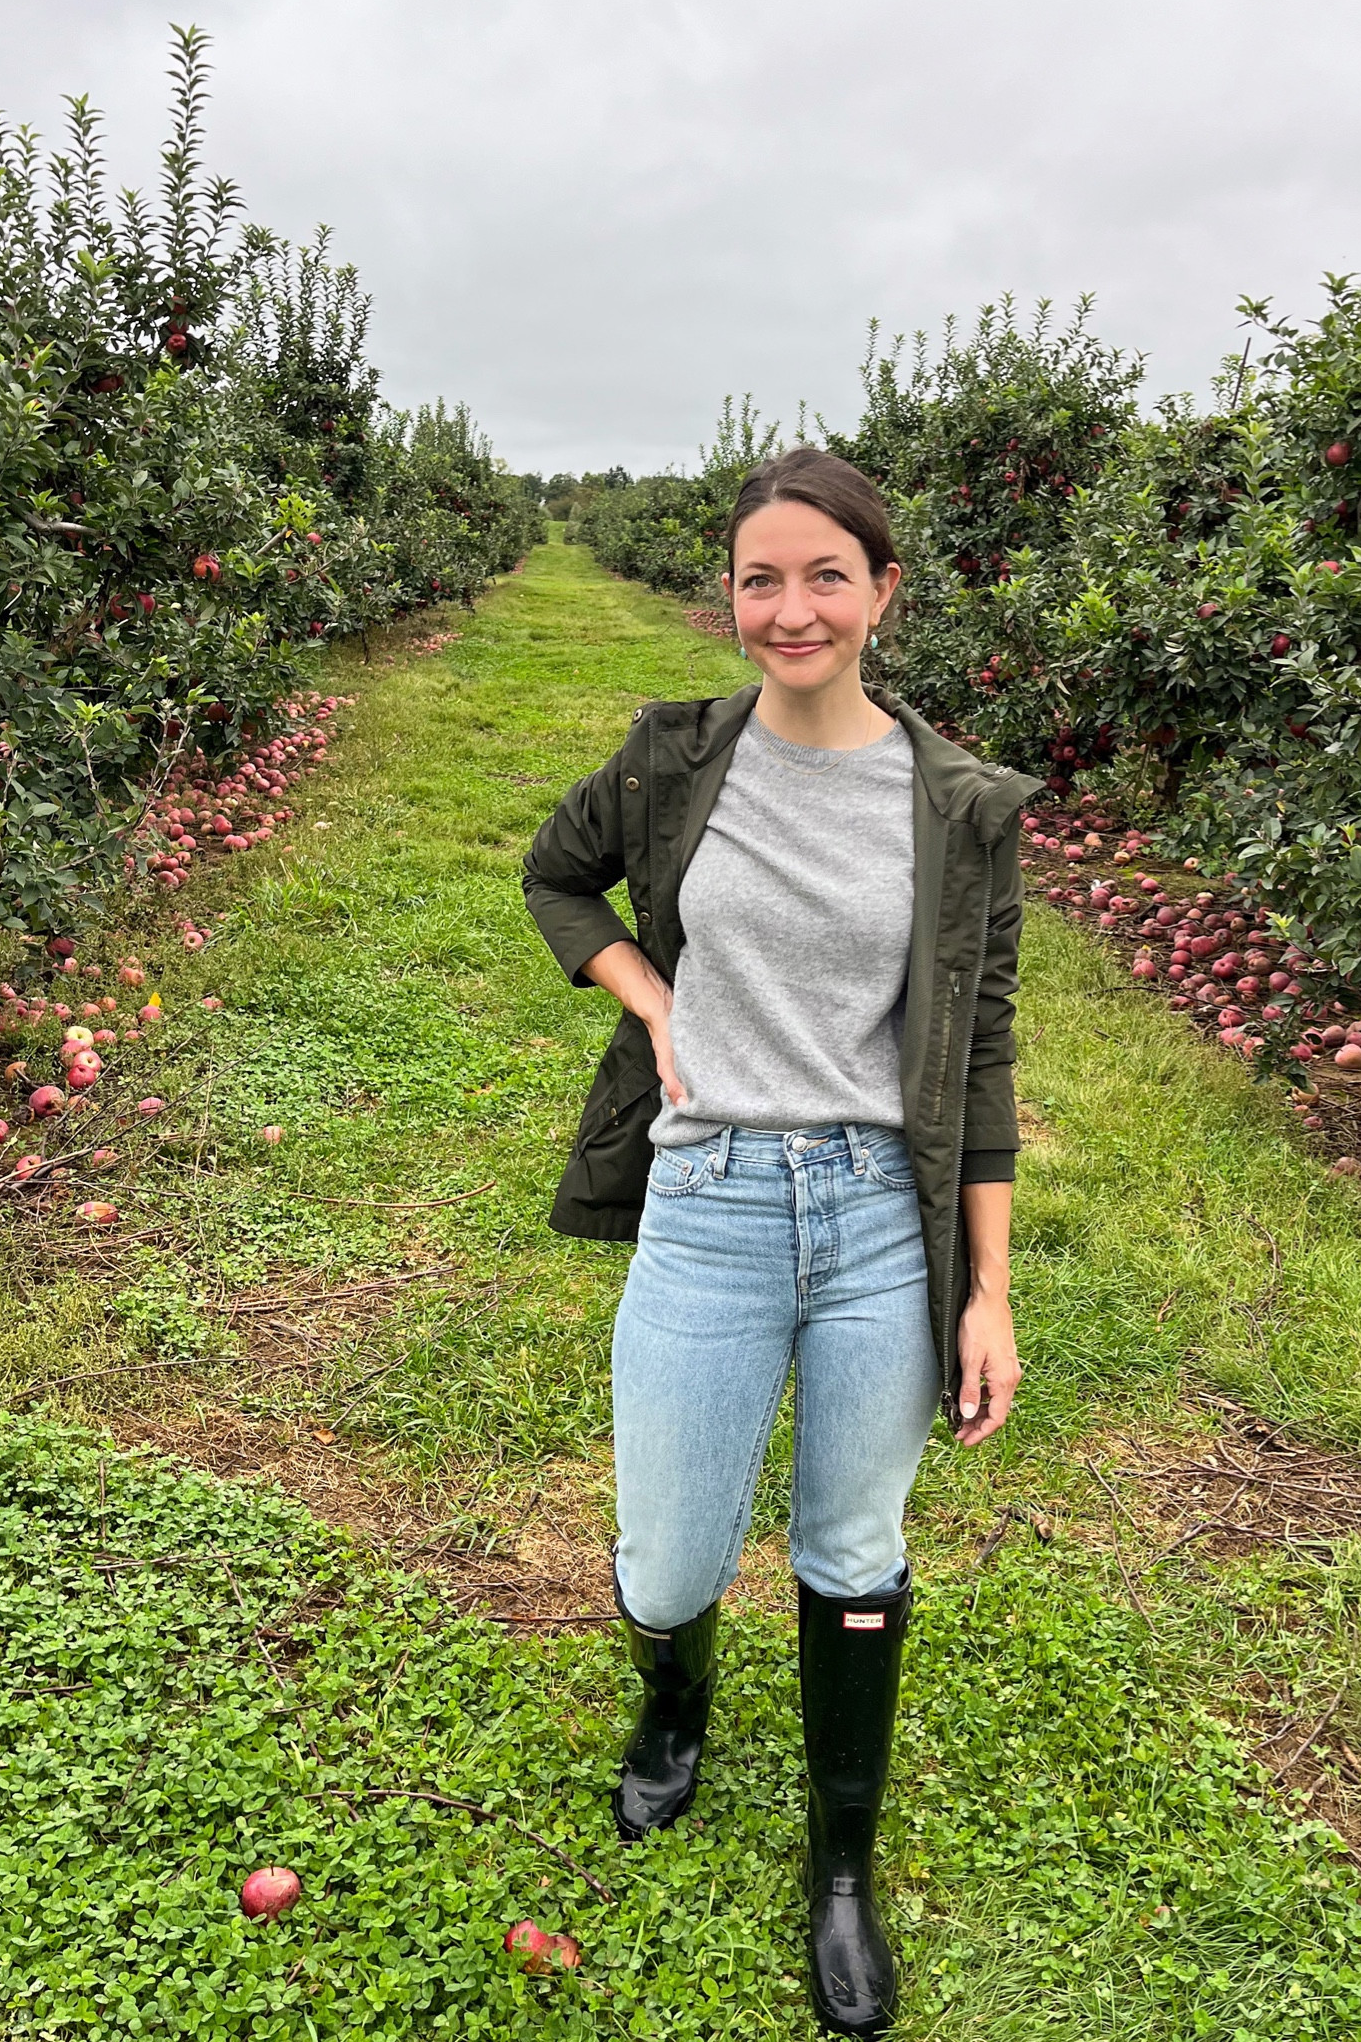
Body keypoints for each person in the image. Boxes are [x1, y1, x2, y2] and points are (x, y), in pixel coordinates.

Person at [522, 445, 1038, 2038]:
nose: (792, 607)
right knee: (670, 1556)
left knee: (853, 1551)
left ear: (884, 592)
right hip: (714, 1200)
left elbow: (987, 1051)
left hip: (883, 1216)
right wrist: (652, 991)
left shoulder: (957, 807)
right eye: (762, 577)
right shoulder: (674, 761)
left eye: (827, 575)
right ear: (728, 594)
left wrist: (992, 1291)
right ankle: (674, 1701)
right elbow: (558, 880)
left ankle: (839, 1870)